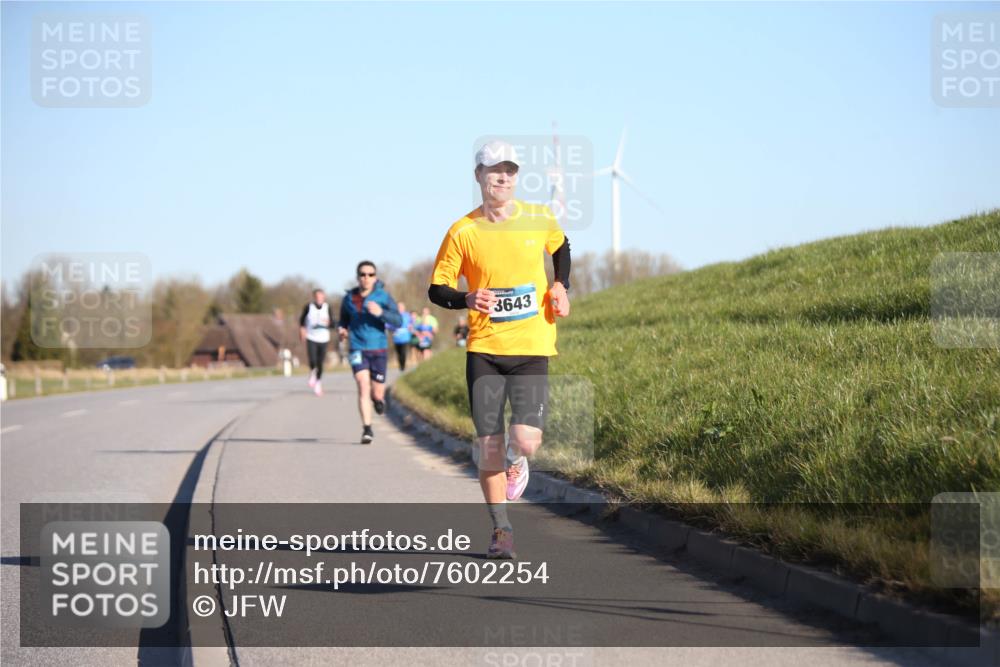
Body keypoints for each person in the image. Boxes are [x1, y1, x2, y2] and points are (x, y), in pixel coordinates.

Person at [428, 140, 571, 559]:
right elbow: (437, 288)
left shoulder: (538, 218)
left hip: (531, 348)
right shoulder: (463, 231)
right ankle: (501, 528)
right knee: (487, 444)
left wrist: (561, 284)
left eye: (509, 169)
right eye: (494, 170)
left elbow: (562, 248)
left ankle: (516, 457)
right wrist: (465, 300)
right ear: (479, 176)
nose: (502, 176)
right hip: (485, 350)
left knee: (525, 440)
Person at [338, 260, 402, 444]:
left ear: (375, 277)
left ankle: (378, 399)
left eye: (370, 275)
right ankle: (367, 429)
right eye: (363, 275)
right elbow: (343, 320)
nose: (366, 278)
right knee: (362, 385)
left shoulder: (383, 296)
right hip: (357, 348)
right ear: (358, 277)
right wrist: (342, 329)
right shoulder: (349, 298)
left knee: (377, 392)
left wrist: (381, 312)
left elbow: (398, 321)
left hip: (379, 349)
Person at [298, 289, 333, 397]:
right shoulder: (309, 307)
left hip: (323, 338)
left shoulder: (327, 308)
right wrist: (302, 331)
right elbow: (302, 321)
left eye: (321, 297)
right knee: (312, 359)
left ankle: (318, 383)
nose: (319, 299)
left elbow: (333, 323)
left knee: (320, 362)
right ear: (314, 297)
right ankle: (312, 371)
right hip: (311, 337)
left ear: (324, 297)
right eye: (317, 297)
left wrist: (330, 323)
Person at [388, 301, 413, 371]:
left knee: (403, 352)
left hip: (405, 337)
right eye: (399, 307)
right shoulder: (394, 315)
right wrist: (391, 330)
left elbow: (412, 323)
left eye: (401, 307)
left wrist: (410, 326)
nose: (400, 308)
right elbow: (388, 325)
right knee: (398, 353)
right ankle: (400, 365)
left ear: (404, 307)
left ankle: (403, 366)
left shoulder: (407, 315)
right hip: (397, 338)